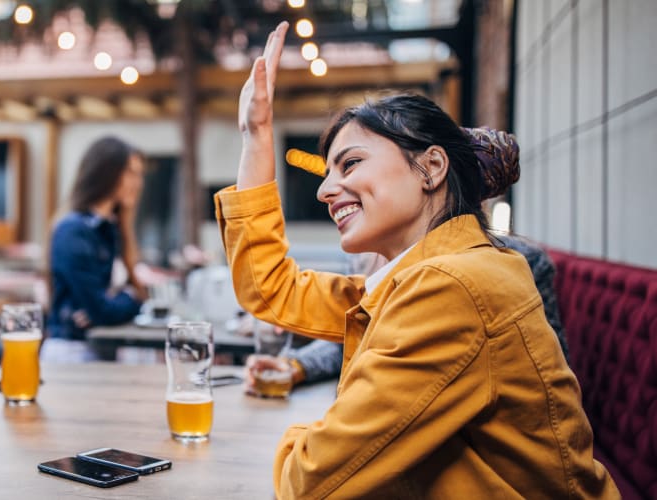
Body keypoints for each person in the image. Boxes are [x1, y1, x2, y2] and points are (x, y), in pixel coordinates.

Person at [216, 22, 618, 498]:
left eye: (351, 164)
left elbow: (308, 481)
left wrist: (319, 431)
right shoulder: (426, 274)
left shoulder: (452, 287)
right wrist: (256, 136)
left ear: (430, 168)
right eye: (328, 173)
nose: (324, 191)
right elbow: (273, 291)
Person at [248, 235, 571, 389]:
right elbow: (353, 329)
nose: (330, 190)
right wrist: (297, 366)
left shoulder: (514, 260)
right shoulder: (371, 250)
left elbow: (548, 371)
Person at [44, 136, 147, 362]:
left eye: (139, 174)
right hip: (72, 352)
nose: (138, 182)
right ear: (106, 172)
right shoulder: (73, 230)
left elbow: (102, 308)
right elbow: (102, 310)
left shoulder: (109, 229)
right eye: (130, 172)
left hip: (97, 347)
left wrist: (113, 303)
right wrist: (131, 298)